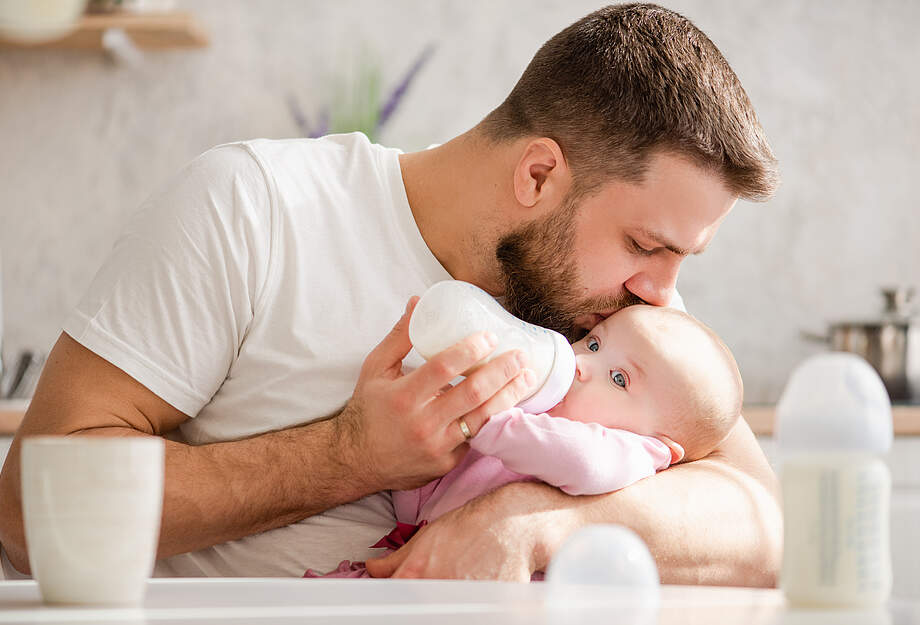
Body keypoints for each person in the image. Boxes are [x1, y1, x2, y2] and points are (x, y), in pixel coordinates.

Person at [0, 3, 781, 583]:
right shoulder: (256, 208)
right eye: (646, 245)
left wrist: (532, 523)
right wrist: (346, 457)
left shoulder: (617, 316)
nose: (660, 293)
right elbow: (29, 516)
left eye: (680, 259)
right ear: (538, 174)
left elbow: (760, 521)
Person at [304, 304, 743, 578]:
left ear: (663, 446)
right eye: (593, 344)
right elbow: (419, 494)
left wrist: (487, 421)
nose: (579, 365)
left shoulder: (629, 453)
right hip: (421, 562)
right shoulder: (534, 416)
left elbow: (581, 461)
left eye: (619, 378)